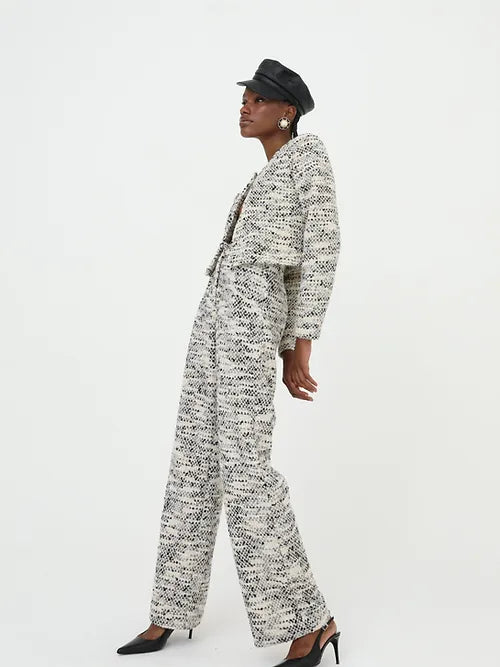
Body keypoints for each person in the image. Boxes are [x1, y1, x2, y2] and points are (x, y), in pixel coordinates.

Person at [116, 58, 342, 666]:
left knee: (245, 472)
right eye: (244, 97)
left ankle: (310, 620)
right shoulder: (260, 177)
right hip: (214, 317)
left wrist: (299, 343)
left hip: (251, 324)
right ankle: (171, 607)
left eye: (258, 98)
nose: (245, 106)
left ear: (287, 111)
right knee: (192, 461)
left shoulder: (308, 158)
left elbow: (320, 254)